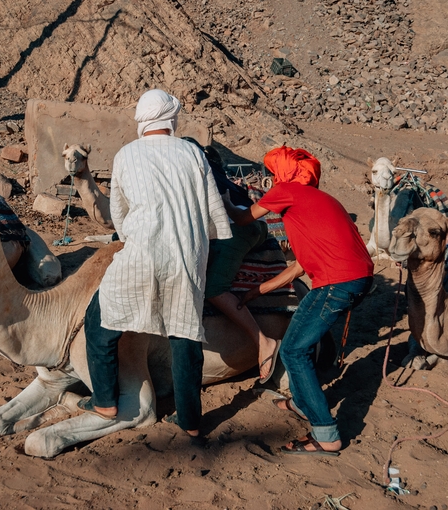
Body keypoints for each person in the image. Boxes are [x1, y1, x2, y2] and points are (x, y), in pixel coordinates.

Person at [80, 89, 232, 438]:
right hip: (184, 257)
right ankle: (192, 423)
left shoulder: (126, 155)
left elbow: (118, 213)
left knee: (99, 322)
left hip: (141, 256)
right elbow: (212, 212)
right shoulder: (193, 153)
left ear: (143, 122)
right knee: (184, 336)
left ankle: (104, 401)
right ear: (170, 119)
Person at [223, 145, 374, 456]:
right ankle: (302, 402)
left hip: (337, 282)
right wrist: (255, 292)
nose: (272, 179)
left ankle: (325, 433)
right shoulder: (319, 201)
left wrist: (221, 197)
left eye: (274, 173)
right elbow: (299, 266)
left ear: (284, 173)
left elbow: (242, 219)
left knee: (294, 351)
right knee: (298, 342)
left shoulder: (287, 191)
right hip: (356, 278)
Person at [182, 138, 280, 383]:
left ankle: (263, 341)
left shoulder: (196, 173)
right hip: (251, 225)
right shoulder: (213, 171)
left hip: (238, 229)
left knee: (213, 287)